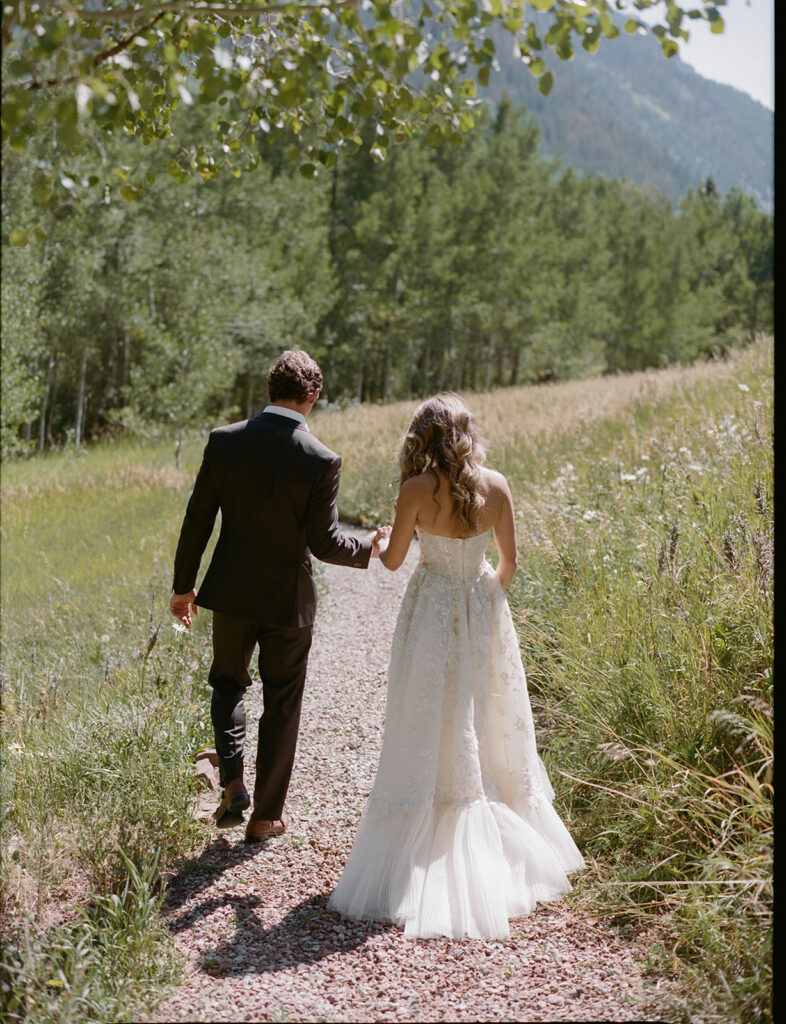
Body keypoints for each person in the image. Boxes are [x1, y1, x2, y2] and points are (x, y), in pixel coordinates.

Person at [328, 393, 584, 939]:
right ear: (467, 434)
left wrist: (375, 541)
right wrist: (487, 599)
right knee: (485, 715)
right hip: (480, 606)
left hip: (431, 611)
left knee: (427, 714)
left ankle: (426, 826)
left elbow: (395, 560)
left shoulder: (416, 490)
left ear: (423, 436)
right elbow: (511, 563)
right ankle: (494, 825)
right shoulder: (498, 485)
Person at [170, 350, 382, 843]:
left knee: (227, 685)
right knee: (283, 701)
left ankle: (233, 781)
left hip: (233, 594)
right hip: (290, 601)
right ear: (313, 396)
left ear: (270, 391)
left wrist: (184, 586)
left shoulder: (224, 441)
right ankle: (266, 817)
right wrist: (373, 547)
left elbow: (198, 518)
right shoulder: (321, 459)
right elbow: (326, 543)